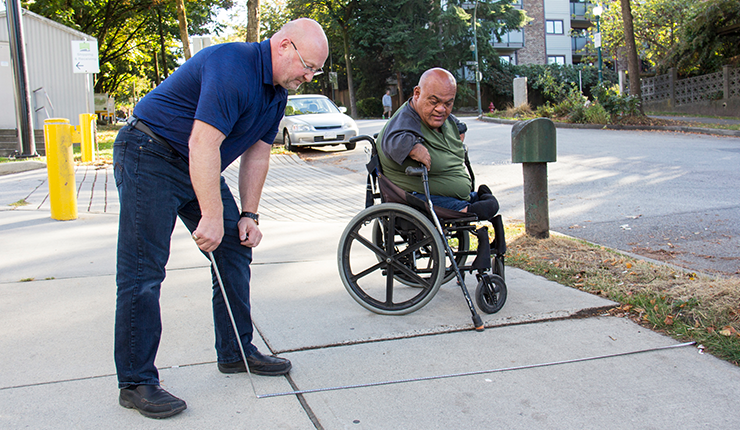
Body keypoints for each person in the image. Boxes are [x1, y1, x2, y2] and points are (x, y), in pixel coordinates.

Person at [113, 19, 328, 419]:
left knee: (234, 248)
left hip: (192, 162)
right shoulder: (233, 65)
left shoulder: (277, 94)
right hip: (148, 151)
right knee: (143, 270)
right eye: (307, 65)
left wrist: (248, 214)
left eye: (316, 70)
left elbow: (257, 154)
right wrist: (210, 214)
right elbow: (203, 141)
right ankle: (136, 381)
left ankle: (235, 351)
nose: (309, 75)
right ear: (283, 46)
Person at [376, 67, 499, 221]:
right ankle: (469, 209)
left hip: (443, 194)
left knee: (488, 202)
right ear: (417, 94)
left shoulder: (435, 115)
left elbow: (458, 126)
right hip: (418, 199)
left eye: (448, 103)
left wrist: (457, 135)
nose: (441, 109)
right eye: (434, 101)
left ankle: (473, 202)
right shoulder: (405, 120)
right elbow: (392, 141)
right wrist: (413, 148)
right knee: (486, 207)